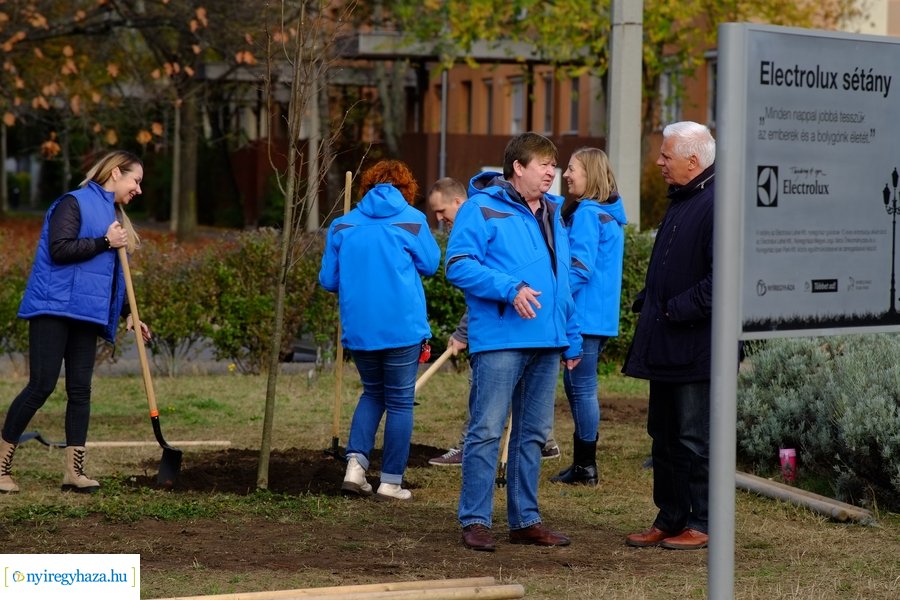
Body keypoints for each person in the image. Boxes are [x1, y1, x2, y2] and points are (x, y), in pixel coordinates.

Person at [446, 132, 582, 551]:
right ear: (517, 168)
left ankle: (525, 520)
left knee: (534, 434)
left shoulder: (555, 212)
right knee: (486, 430)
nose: (550, 172)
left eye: (553, 165)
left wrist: (570, 335)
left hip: (547, 342)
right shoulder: (480, 208)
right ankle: (475, 520)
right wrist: (509, 288)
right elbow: (457, 265)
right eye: (542, 164)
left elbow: (562, 283)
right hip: (501, 340)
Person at [0, 150, 151, 494]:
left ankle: (74, 472)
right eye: (136, 180)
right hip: (53, 308)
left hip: (86, 311)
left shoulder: (114, 215)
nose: (139, 189)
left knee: (80, 390)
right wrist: (103, 242)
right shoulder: (74, 202)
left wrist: (131, 315)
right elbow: (59, 249)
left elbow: (113, 274)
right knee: (41, 385)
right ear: (115, 173)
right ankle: (1, 466)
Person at [319, 159, 440, 502]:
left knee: (372, 394)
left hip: (360, 329)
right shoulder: (412, 221)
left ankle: (355, 469)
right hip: (403, 326)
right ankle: (390, 482)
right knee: (400, 402)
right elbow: (431, 264)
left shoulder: (343, 225)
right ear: (406, 191)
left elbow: (328, 280)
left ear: (366, 188)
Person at [622, 121, 716, 551]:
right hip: (666, 345)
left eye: (666, 156)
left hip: (697, 349)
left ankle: (702, 520)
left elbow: (722, 282)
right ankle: (670, 516)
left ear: (693, 161)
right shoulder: (681, 200)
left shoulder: (717, 204)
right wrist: (650, 298)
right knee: (663, 435)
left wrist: (672, 308)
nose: (658, 162)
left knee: (695, 440)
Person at [426, 178, 561, 467]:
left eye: (441, 211)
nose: (439, 219)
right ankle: (542, 441)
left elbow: (486, 281)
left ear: (458, 203)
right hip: (507, 325)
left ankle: (485, 446)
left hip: (506, 331)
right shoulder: (489, 213)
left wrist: (463, 333)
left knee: (491, 396)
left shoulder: (480, 217)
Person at [551, 148, 627, 486]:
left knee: (581, 389)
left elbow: (579, 269)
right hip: (597, 315)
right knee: (580, 387)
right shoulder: (608, 215)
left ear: (591, 174)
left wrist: (557, 296)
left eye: (572, 169)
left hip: (581, 315)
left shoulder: (587, 214)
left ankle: (585, 467)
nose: (565, 175)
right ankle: (583, 464)